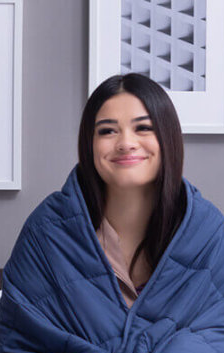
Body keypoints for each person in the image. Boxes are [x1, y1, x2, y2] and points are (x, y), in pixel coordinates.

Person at [75, 73, 187, 308]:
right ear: (89, 144)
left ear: (168, 138)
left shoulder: (208, 231)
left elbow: (223, 334)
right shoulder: (46, 234)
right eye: (107, 131)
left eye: (143, 128)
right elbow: (27, 338)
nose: (126, 143)